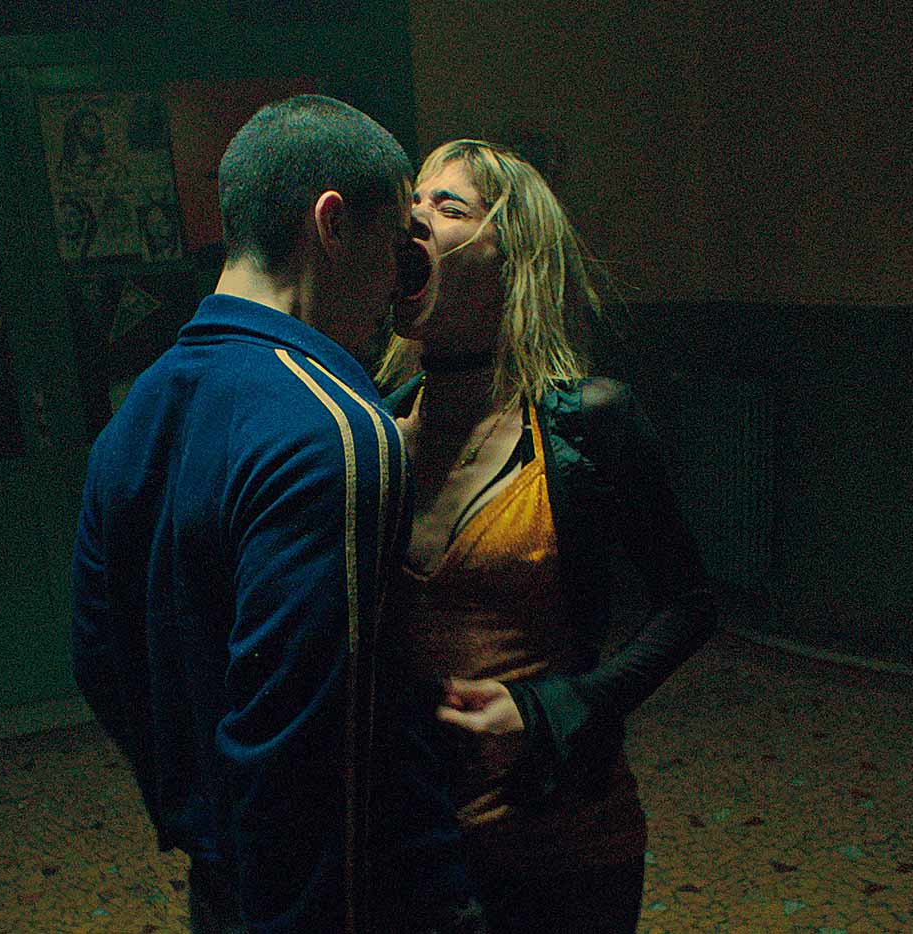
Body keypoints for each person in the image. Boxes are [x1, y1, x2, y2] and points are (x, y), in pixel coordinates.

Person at [71, 96, 485, 934]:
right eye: (393, 242)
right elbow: (313, 749)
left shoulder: (137, 412)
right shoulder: (337, 428)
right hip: (344, 901)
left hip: (225, 878)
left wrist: (200, 815)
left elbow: (99, 658)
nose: (398, 280)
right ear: (330, 225)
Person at [377, 140, 718, 933]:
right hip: (417, 850)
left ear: (513, 261)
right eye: (412, 201)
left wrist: (552, 708)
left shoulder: (590, 421)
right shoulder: (373, 428)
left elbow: (689, 606)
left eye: (448, 206)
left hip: (565, 845)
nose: (416, 217)